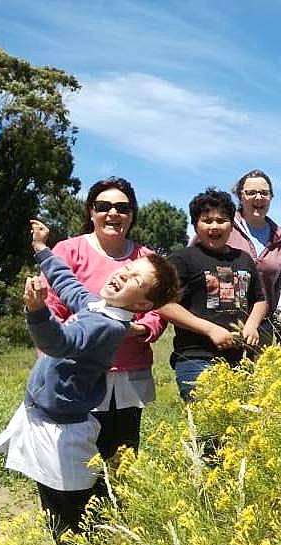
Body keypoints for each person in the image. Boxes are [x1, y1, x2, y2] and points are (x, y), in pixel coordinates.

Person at [0, 220, 178, 545]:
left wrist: (36, 312)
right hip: (51, 415)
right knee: (68, 501)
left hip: (58, 427)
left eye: (136, 280)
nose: (124, 275)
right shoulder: (99, 307)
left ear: (141, 306)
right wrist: (42, 250)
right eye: (128, 268)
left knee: (65, 509)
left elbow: (60, 342)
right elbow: (68, 285)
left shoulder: (107, 326)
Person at [44, 177, 167, 461]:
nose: (113, 214)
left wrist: (136, 329)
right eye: (104, 206)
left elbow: (159, 310)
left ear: (132, 215)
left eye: (123, 208)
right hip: (78, 372)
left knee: (122, 455)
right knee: (78, 456)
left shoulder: (145, 257)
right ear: (91, 211)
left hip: (129, 374)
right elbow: (52, 306)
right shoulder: (68, 249)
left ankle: (119, 507)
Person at [161, 189, 267, 401]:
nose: (214, 226)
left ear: (232, 225)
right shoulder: (183, 259)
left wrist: (252, 325)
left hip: (242, 360)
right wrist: (210, 329)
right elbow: (164, 304)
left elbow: (260, 300)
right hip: (197, 359)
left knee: (243, 428)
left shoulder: (244, 259)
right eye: (207, 220)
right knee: (209, 429)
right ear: (195, 225)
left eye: (221, 220)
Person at [227, 169, 281, 316]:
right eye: (251, 192)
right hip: (222, 325)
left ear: (271, 197)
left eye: (264, 193)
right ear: (240, 196)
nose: (258, 197)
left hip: (264, 326)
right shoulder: (222, 229)